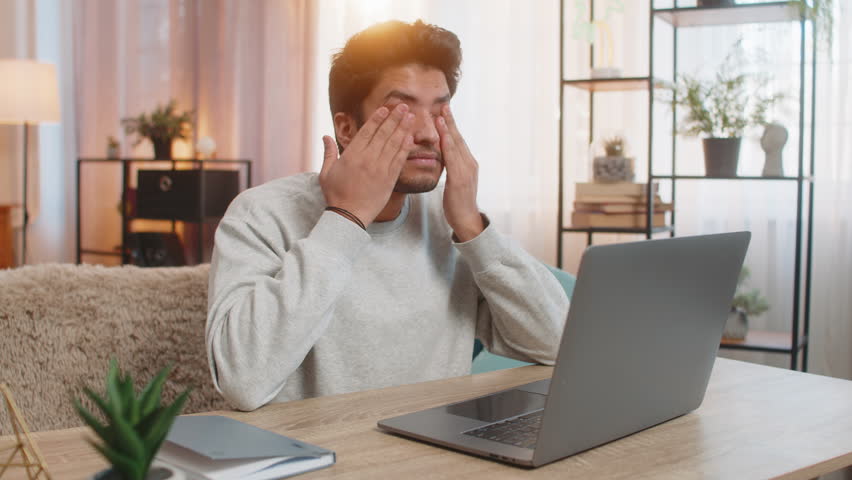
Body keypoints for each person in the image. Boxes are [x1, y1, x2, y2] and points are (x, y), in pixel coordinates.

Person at [206, 19, 570, 411]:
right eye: (403, 112)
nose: (430, 133)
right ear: (346, 128)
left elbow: (558, 343)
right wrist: (346, 217)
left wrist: (472, 226)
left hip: (436, 456)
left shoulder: (450, 222)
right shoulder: (262, 213)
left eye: (441, 112)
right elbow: (242, 382)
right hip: (320, 461)